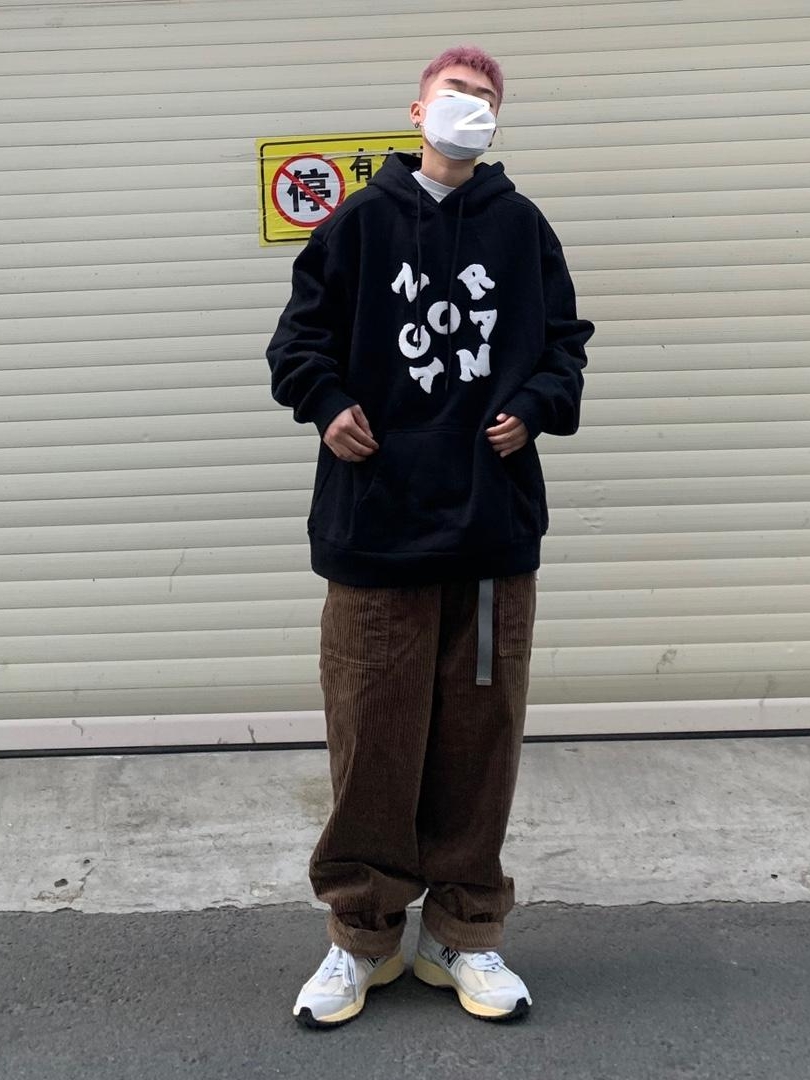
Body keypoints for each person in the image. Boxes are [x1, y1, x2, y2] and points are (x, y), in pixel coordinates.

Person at [267, 44, 594, 1029]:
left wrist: (536, 405)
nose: (472, 107)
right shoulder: (359, 223)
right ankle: (362, 937)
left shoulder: (521, 227)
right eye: (457, 92)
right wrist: (327, 404)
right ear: (418, 110)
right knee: (373, 743)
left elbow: (566, 347)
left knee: (476, 749)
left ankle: (463, 934)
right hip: (377, 531)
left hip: (490, 535)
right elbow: (298, 344)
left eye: (487, 97)